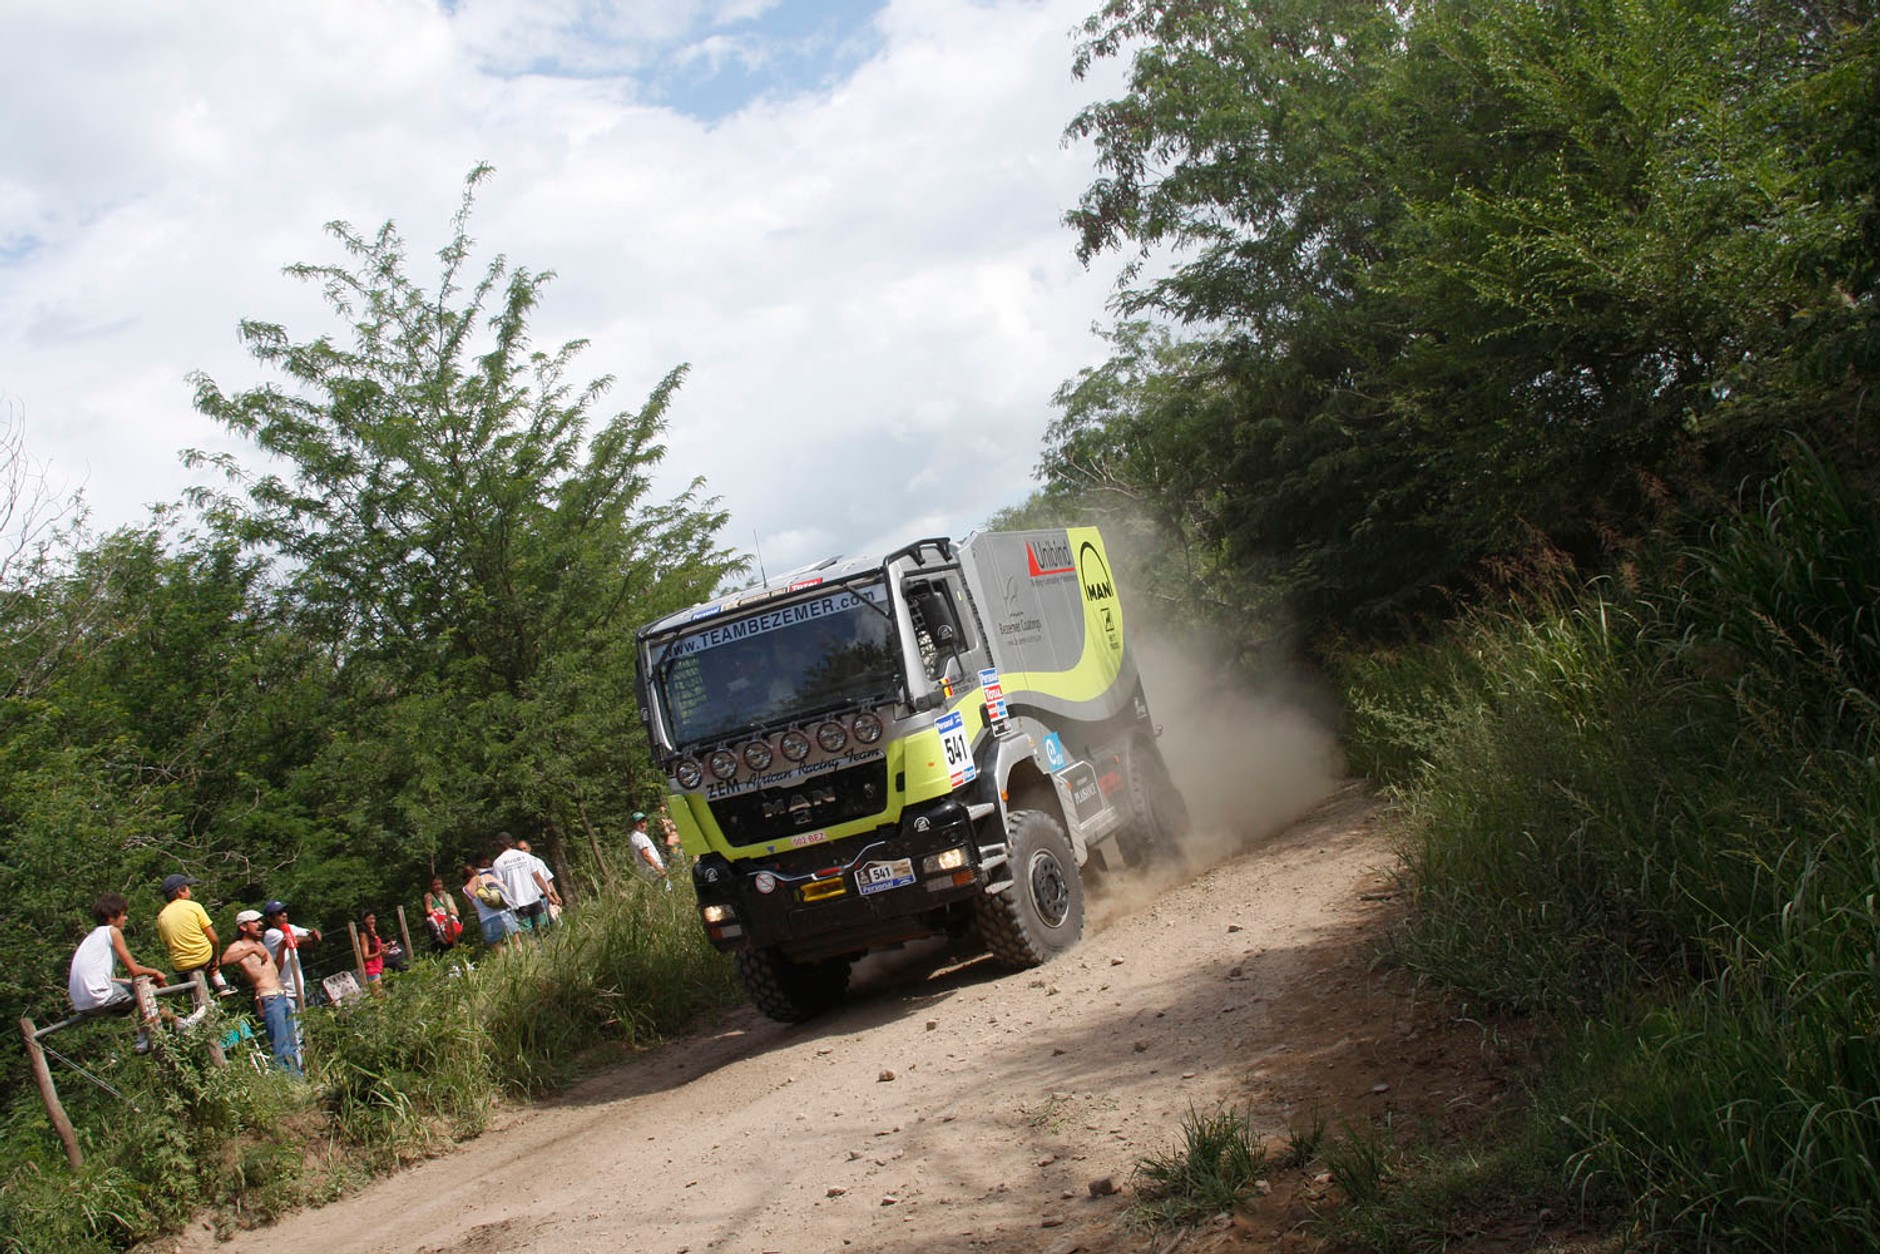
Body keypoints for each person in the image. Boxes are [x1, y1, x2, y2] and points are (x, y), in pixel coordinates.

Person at [69, 893, 169, 1050]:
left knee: (137, 986)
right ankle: (146, 1036)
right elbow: (134, 970)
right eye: (123, 914)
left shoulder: (90, 939)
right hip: (98, 998)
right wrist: (156, 973)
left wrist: (130, 982)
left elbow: (112, 980)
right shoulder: (112, 932)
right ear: (111, 918)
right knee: (150, 989)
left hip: (81, 1004)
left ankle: (175, 1021)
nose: (126, 918)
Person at [220, 909, 301, 1075]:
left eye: (260, 921)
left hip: (281, 995)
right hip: (268, 998)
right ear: (243, 927)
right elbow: (225, 959)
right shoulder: (240, 946)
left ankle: (298, 1079)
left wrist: (281, 949)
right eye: (255, 922)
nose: (260, 924)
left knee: (292, 1043)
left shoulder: (260, 944)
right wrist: (250, 951)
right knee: (281, 1045)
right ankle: (290, 1084)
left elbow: (275, 970)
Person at [155, 873, 226, 994]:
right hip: (203, 957)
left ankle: (192, 996)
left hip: (181, 964)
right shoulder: (194, 907)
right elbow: (214, 939)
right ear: (180, 892)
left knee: (182, 967)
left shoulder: (162, 916)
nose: (190, 892)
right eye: (188, 888)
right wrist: (216, 958)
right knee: (210, 959)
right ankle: (221, 985)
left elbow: (168, 945)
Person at [491, 833, 555, 935]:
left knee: (528, 935)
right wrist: (549, 895)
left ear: (500, 845)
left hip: (518, 904)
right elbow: (538, 877)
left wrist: (504, 906)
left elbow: (500, 887)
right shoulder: (525, 856)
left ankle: (535, 951)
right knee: (543, 932)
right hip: (535, 900)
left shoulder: (498, 863)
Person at [260, 900, 321, 1001]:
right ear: (270, 918)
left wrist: (314, 933)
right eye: (279, 913)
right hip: (285, 991)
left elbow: (311, 934)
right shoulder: (271, 934)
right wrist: (310, 937)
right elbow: (290, 941)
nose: (284, 914)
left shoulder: (288, 928)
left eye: (284, 911)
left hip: (296, 988)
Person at [462, 860, 516, 950]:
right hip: (503, 914)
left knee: (499, 951)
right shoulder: (487, 877)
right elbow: (504, 888)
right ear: (476, 870)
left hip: (486, 920)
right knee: (517, 944)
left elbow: (473, 908)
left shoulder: (465, 890)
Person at [514, 840, 562, 926]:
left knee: (555, 923)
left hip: (546, 898)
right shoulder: (518, 866)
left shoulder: (538, 861)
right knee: (541, 926)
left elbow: (548, 879)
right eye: (520, 849)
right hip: (533, 901)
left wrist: (555, 895)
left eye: (524, 848)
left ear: (529, 848)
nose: (523, 851)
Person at [628, 812, 671, 890]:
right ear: (634, 824)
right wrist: (660, 869)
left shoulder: (633, 836)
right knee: (666, 892)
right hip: (653, 871)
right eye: (639, 822)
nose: (643, 824)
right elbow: (646, 855)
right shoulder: (639, 836)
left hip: (646, 871)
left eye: (644, 821)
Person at [423, 875, 463, 949]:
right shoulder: (429, 896)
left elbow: (456, 913)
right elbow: (429, 910)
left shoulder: (448, 896)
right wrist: (438, 910)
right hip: (439, 929)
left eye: (440, 884)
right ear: (431, 887)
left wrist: (445, 910)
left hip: (452, 926)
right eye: (435, 884)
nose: (438, 887)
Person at [358, 910, 386, 986]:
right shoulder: (364, 935)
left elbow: (375, 946)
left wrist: (387, 946)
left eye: (374, 918)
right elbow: (365, 956)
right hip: (371, 970)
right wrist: (379, 953)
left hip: (378, 967)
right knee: (378, 996)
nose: (373, 921)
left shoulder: (372, 932)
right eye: (370, 919)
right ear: (364, 920)